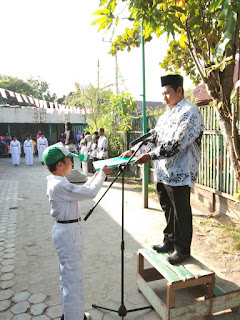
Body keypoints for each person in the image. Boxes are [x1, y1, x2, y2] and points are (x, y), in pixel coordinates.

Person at [121, 74, 204, 265]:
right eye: (162, 94)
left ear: (179, 91)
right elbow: (153, 138)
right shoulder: (166, 115)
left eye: (167, 93)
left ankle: (182, 249)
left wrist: (149, 156)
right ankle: (169, 241)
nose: (164, 98)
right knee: (167, 207)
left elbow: (177, 144)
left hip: (180, 172)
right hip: (163, 171)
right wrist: (134, 151)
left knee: (180, 211)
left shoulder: (190, 113)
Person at [42, 142, 112, 320]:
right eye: (69, 161)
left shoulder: (57, 180)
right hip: (68, 232)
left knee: (67, 277)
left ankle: (72, 315)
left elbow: (82, 189)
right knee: (73, 279)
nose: (72, 164)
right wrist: (102, 174)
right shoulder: (59, 185)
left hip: (66, 230)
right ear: (60, 165)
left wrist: (96, 175)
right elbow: (89, 192)